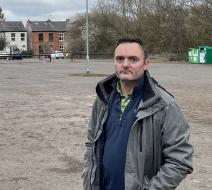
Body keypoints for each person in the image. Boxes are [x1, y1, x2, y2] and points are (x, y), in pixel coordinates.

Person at [82, 38, 193, 190]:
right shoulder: (103, 98)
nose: (125, 64)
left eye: (133, 59)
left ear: (145, 64)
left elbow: (180, 160)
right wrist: (88, 178)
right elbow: (91, 143)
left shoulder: (165, 105)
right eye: (120, 59)